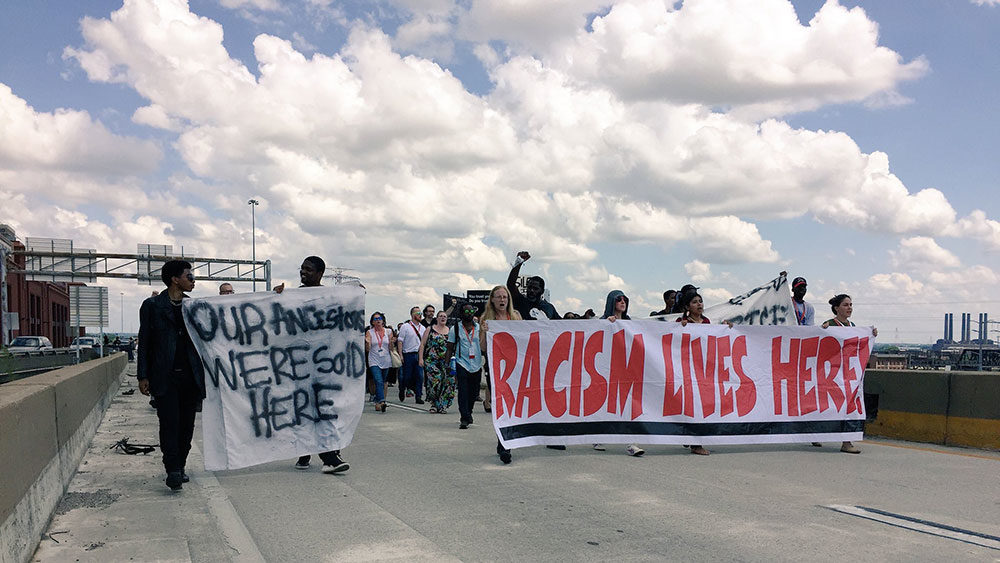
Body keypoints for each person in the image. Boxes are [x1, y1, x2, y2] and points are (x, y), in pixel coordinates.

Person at [137, 260, 206, 491]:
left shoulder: (194, 306)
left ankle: (181, 466)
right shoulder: (152, 306)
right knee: (169, 424)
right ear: (175, 279)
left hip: (190, 376)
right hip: (164, 376)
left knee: (186, 426)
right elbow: (144, 342)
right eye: (189, 276)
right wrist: (142, 375)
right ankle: (173, 469)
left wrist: (274, 297)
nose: (193, 280)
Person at [279, 256, 351, 474]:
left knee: (324, 409)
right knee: (305, 409)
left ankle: (327, 455)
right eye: (302, 269)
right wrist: (276, 298)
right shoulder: (294, 296)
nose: (303, 273)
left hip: (324, 365)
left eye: (308, 270)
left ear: (320, 273)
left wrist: (355, 294)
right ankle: (323, 455)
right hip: (300, 365)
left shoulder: (330, 296)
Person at [819, 294, 878, 454]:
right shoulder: (829, 325)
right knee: (827, 404)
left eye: (851, 304)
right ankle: (816, 432)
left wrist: (870, 334)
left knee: (849, 405)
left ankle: (846, 441)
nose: (849, 307)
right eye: (845, 305)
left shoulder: (852, 326)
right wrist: (821, 330)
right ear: (837, 308)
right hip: (830, 373)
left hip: (847, 374)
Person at [676, 291, 732, 456]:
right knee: (691, 405)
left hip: (704, 370)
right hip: (687, 369)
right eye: (694, 302)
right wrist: (681, 328)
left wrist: (726, 328)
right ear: (687, 306)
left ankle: (691, 437)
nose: (699, 304)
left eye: (700, 301)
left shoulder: (707, 322)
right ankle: (695, 443)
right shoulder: (681, 322)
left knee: (701, 404)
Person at [595, 290, 645, 457]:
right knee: (606, 403)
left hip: (626, 369)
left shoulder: (630, 323)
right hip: (607, 369)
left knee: (627, 405)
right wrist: (607, 325)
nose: (622, 302)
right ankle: (599, 434)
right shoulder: (604, 321)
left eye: (625, 299)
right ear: (611, 302)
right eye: (618, 299)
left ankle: (630, 443)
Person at [480, 285, 523, 464]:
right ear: (492, 300)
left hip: (514, 368)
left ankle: (505, 442)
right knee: (500, 405)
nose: (502, 300)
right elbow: (482, 347)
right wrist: (485, 332)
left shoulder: (516, 317)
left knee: (511, 405)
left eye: (504, 297)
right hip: (495, 368)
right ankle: (504, 443)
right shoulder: (486, 319)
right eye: (498, 297)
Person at [448, 302, 483, 429]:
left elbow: (484, 344)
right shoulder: (455, 329)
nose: (469, 314)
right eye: (466, 312)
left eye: (471, 311)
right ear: (461, 314)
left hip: (477, 364)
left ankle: (469, 412)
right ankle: (464, 417)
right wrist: (447, 365)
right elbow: (450, 347)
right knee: (463, 391)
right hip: (462, 362)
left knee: (473, 392)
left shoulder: (479, 328)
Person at [419, 311, 455, 414]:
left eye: (445, 316)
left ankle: (442, 405)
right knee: (435, 380)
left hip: (446, 360)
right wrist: (421, 358)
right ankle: (434, 404)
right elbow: (422, 344)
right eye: (441, 316)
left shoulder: (450, 330)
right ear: (437, 318)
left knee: (448, 382)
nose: (443, 318)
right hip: (432, 360)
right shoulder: (430, 329)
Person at [506, 251, 559, 320]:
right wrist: (519, 263)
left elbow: (561, 324)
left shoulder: (548, 308)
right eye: (529, 287)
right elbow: (511, 284)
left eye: (535, 288)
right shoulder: (520, 302)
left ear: (542, 291)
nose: (531, 290)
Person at [365, 311, 395, 413]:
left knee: (383, 381)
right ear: (372, 322)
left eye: (379, 319)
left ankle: (378, 403)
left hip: (386, 359)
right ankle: (382, 401)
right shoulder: (370, 332)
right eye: (375, 319)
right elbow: (368, 349)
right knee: (378, 380)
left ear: (383, 321)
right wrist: (367, 343)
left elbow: (391, 348)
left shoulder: (388, 332)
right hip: (374, 359)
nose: (378, 321)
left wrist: (391, 342)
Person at [397, 307, 427, 404]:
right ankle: (403, 388)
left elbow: (424, 343)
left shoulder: (423, 328)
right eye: (418, 313)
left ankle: (418, 396)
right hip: (408, 354)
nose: (420, 315)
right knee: (406, 377)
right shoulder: (405, 326)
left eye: (420, 313)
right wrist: (400, 354)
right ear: (413, 315)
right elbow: (400, 341)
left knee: (420, 376)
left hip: (418, 354)